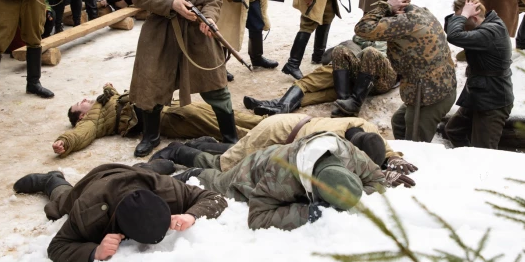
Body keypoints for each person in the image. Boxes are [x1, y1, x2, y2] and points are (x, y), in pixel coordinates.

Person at [128, 0, 234, 157]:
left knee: (216, 85)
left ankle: (230, 136)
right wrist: (171, 5)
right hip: (160, 30)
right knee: (150, 84)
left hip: (197, 30)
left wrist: (209, 17)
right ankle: (151, 136)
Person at [168, 132, 394, 231]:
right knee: (216, 176)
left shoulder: (349, 154)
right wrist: (309, 213)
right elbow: (257, 218)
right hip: (252, 171)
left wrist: (352, 196)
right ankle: (181, 158)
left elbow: (377, 179)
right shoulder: (280, 179)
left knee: (221, 161)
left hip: (287, 153)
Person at [12, 163, 227, 262]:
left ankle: (153, 164)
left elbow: (215, 198)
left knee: (144, 170)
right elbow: (57, 247)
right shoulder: (89, 213)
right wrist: (95, 251)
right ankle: (51, 179)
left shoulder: (166, 189)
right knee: (62, 202)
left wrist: (191, 215)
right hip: (93, 183)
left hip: (134, 173)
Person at [152, 116, 417, 180]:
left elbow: (380, 147)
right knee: (227, 165)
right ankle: (177, 151)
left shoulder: (365, 128)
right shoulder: (327, 144)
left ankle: (202, 143)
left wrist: (390, 161)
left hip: (290, 124)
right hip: (275, 133)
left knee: (241, 150)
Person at [355, 0, 457, 142]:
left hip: (428, 96)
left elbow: (362, 28)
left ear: (398, 7)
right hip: (438, 88)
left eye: (386, 9)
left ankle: (413, 164)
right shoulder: (420, 12)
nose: (382, 15)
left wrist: (385, 7)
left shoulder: (404, 22)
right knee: (399, 122)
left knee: (416, 145)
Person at [53, 83, 263, 157]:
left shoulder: (103, 101)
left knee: (221, 112)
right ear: (81, 116)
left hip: (170, 105)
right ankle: (264, 138)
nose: (83, 100)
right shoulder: (92, 118)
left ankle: (274, 123)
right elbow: (82, 132)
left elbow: (118, 101)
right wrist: (66, 141)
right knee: (211, 123)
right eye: (78, 104)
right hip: (166, 117)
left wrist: (109, 89)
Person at [245, 35, 396, 118]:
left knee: (313, 80)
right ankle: (277, 105)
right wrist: (385, 10)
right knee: (322, 93)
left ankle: (279, 105)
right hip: (354, 71)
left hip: (379, 74)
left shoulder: (404, 27)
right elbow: (359, 33)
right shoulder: (374, 26)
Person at [443, 0, 513, 149]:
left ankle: (481, 171)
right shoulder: (485, 24)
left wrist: (463, 16)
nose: (461, 24)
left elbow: (454, 36)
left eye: (464, 20)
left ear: (474, 17)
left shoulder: (491, 31)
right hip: (479, 94)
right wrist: (461, 16)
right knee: (455, 130)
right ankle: (468, 164)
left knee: (483, 150)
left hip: (493, 100)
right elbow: (452, 29)